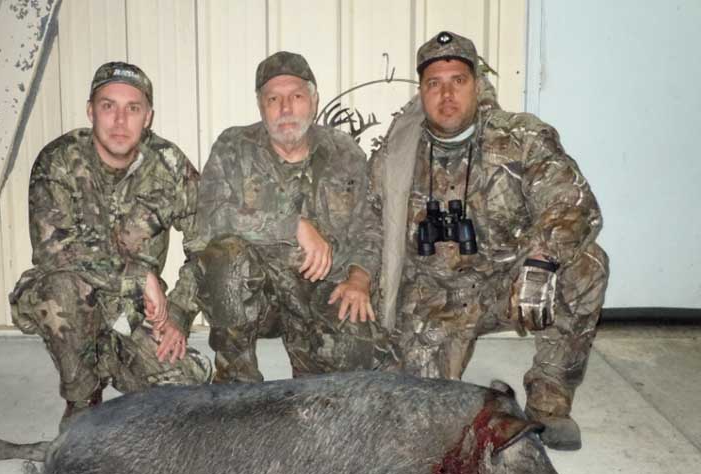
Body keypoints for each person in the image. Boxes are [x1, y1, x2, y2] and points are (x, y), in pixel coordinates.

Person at [371, 31, 608, 450]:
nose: (446, 94)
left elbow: (573, 202)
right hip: (436, 296)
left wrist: (541, 260)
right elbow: (369, 224)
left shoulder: (521, 136)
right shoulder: (398, 151)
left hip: (511, 284)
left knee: (586, 264)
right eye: (434, 84)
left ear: (477, 85)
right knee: (425, 426)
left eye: (457, 81)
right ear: (421, 92)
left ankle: (547, 404)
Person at [10, 62, 212, 430]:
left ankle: (114, 360)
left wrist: (180, 313)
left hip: (131, 314)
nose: (120, 120)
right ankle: (82, 398)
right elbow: (52, 249)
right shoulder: (59, 160)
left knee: (189, 383)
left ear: (148, 116)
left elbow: (206, 245)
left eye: (132, 108)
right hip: (72, 299)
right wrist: (138, 276)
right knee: (62, 288)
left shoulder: (169, 164)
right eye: (108, 106)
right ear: (91, 111)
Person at [175, 51, 394, 383]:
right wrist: (292, 226)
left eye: (296, 96)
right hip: (257, 297)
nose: (286, 108)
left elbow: (369, 226)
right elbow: (210, 219)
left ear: (314, 100)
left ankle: (308, 373)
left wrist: (359, 279)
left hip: (322, 291)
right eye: (273, 98)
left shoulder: (344, 151)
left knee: (357, 347)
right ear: (261, 106)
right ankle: (238, 386)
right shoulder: (234, 147)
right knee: (226, 258)